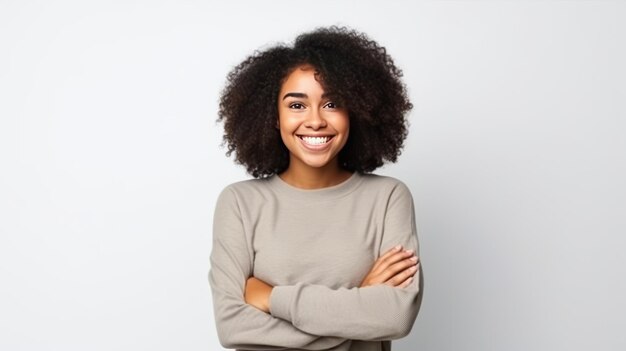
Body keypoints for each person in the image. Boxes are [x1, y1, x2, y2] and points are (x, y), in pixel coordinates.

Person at [209, 26, 423, 351]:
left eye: (332, 103)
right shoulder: (240, 203)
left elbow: (395, 316)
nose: (315, 120)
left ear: (356, 111)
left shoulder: (388, 198)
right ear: (274, 118)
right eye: (296, 105)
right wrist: (361, 304)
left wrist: (271, 298)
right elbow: (232, 327)